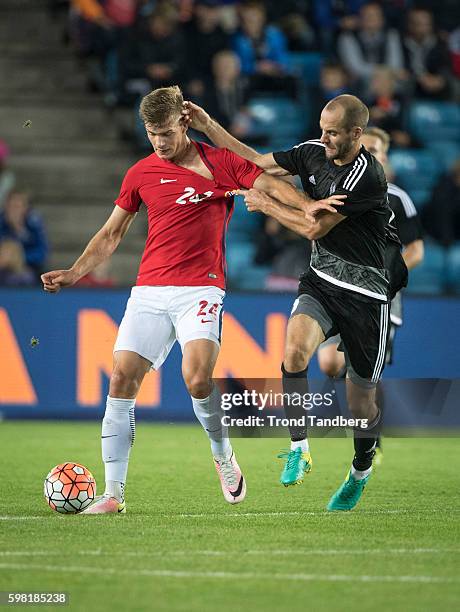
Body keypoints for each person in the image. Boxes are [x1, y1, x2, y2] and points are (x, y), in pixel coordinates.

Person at [41, 85, 341, 514]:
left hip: (201, 287)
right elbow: (111, 234)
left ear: (183, 122)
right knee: (121, 378)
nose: (159, 142)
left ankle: (222, 456)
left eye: (165, 132)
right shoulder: (140, 173)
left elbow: (268, 183)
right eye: (151, 133)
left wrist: (309, 206)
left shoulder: (219, 163)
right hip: (149, 290)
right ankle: (113, 495)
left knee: (197, 378)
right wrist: (73, 272)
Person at [183, 93, 407, 511]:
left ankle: (361, 469)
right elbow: (254, 163)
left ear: (357, 134)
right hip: (322, 282)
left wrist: (267, 203)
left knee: (361, 403)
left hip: (367, 295)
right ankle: (300, 449)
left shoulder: (365, 176)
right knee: (294, 353)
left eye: (334, 133)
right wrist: (208, 126)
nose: (324, 138)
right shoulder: (312, 152)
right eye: (322, 128)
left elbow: (313, 228)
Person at [317, 127, 424, 461]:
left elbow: (417, 250)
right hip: (342, 290)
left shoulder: (397, 198)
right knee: (331, 362)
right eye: (368, 150)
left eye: (378, 150)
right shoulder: (342, 194)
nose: (372, 155)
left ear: (385, 156)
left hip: (380, 297)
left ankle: (370, 436)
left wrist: (383, 277)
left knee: (362, 369)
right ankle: (365, 422)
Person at [0, 191, 49, 279]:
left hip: (27, 268)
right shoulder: (1, 222)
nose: (15, 211)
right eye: (12, 207)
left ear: (26, 209)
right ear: (6, 207)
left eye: (18, 207)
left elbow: (42, 253)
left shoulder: (34, 223)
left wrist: (19, 259)